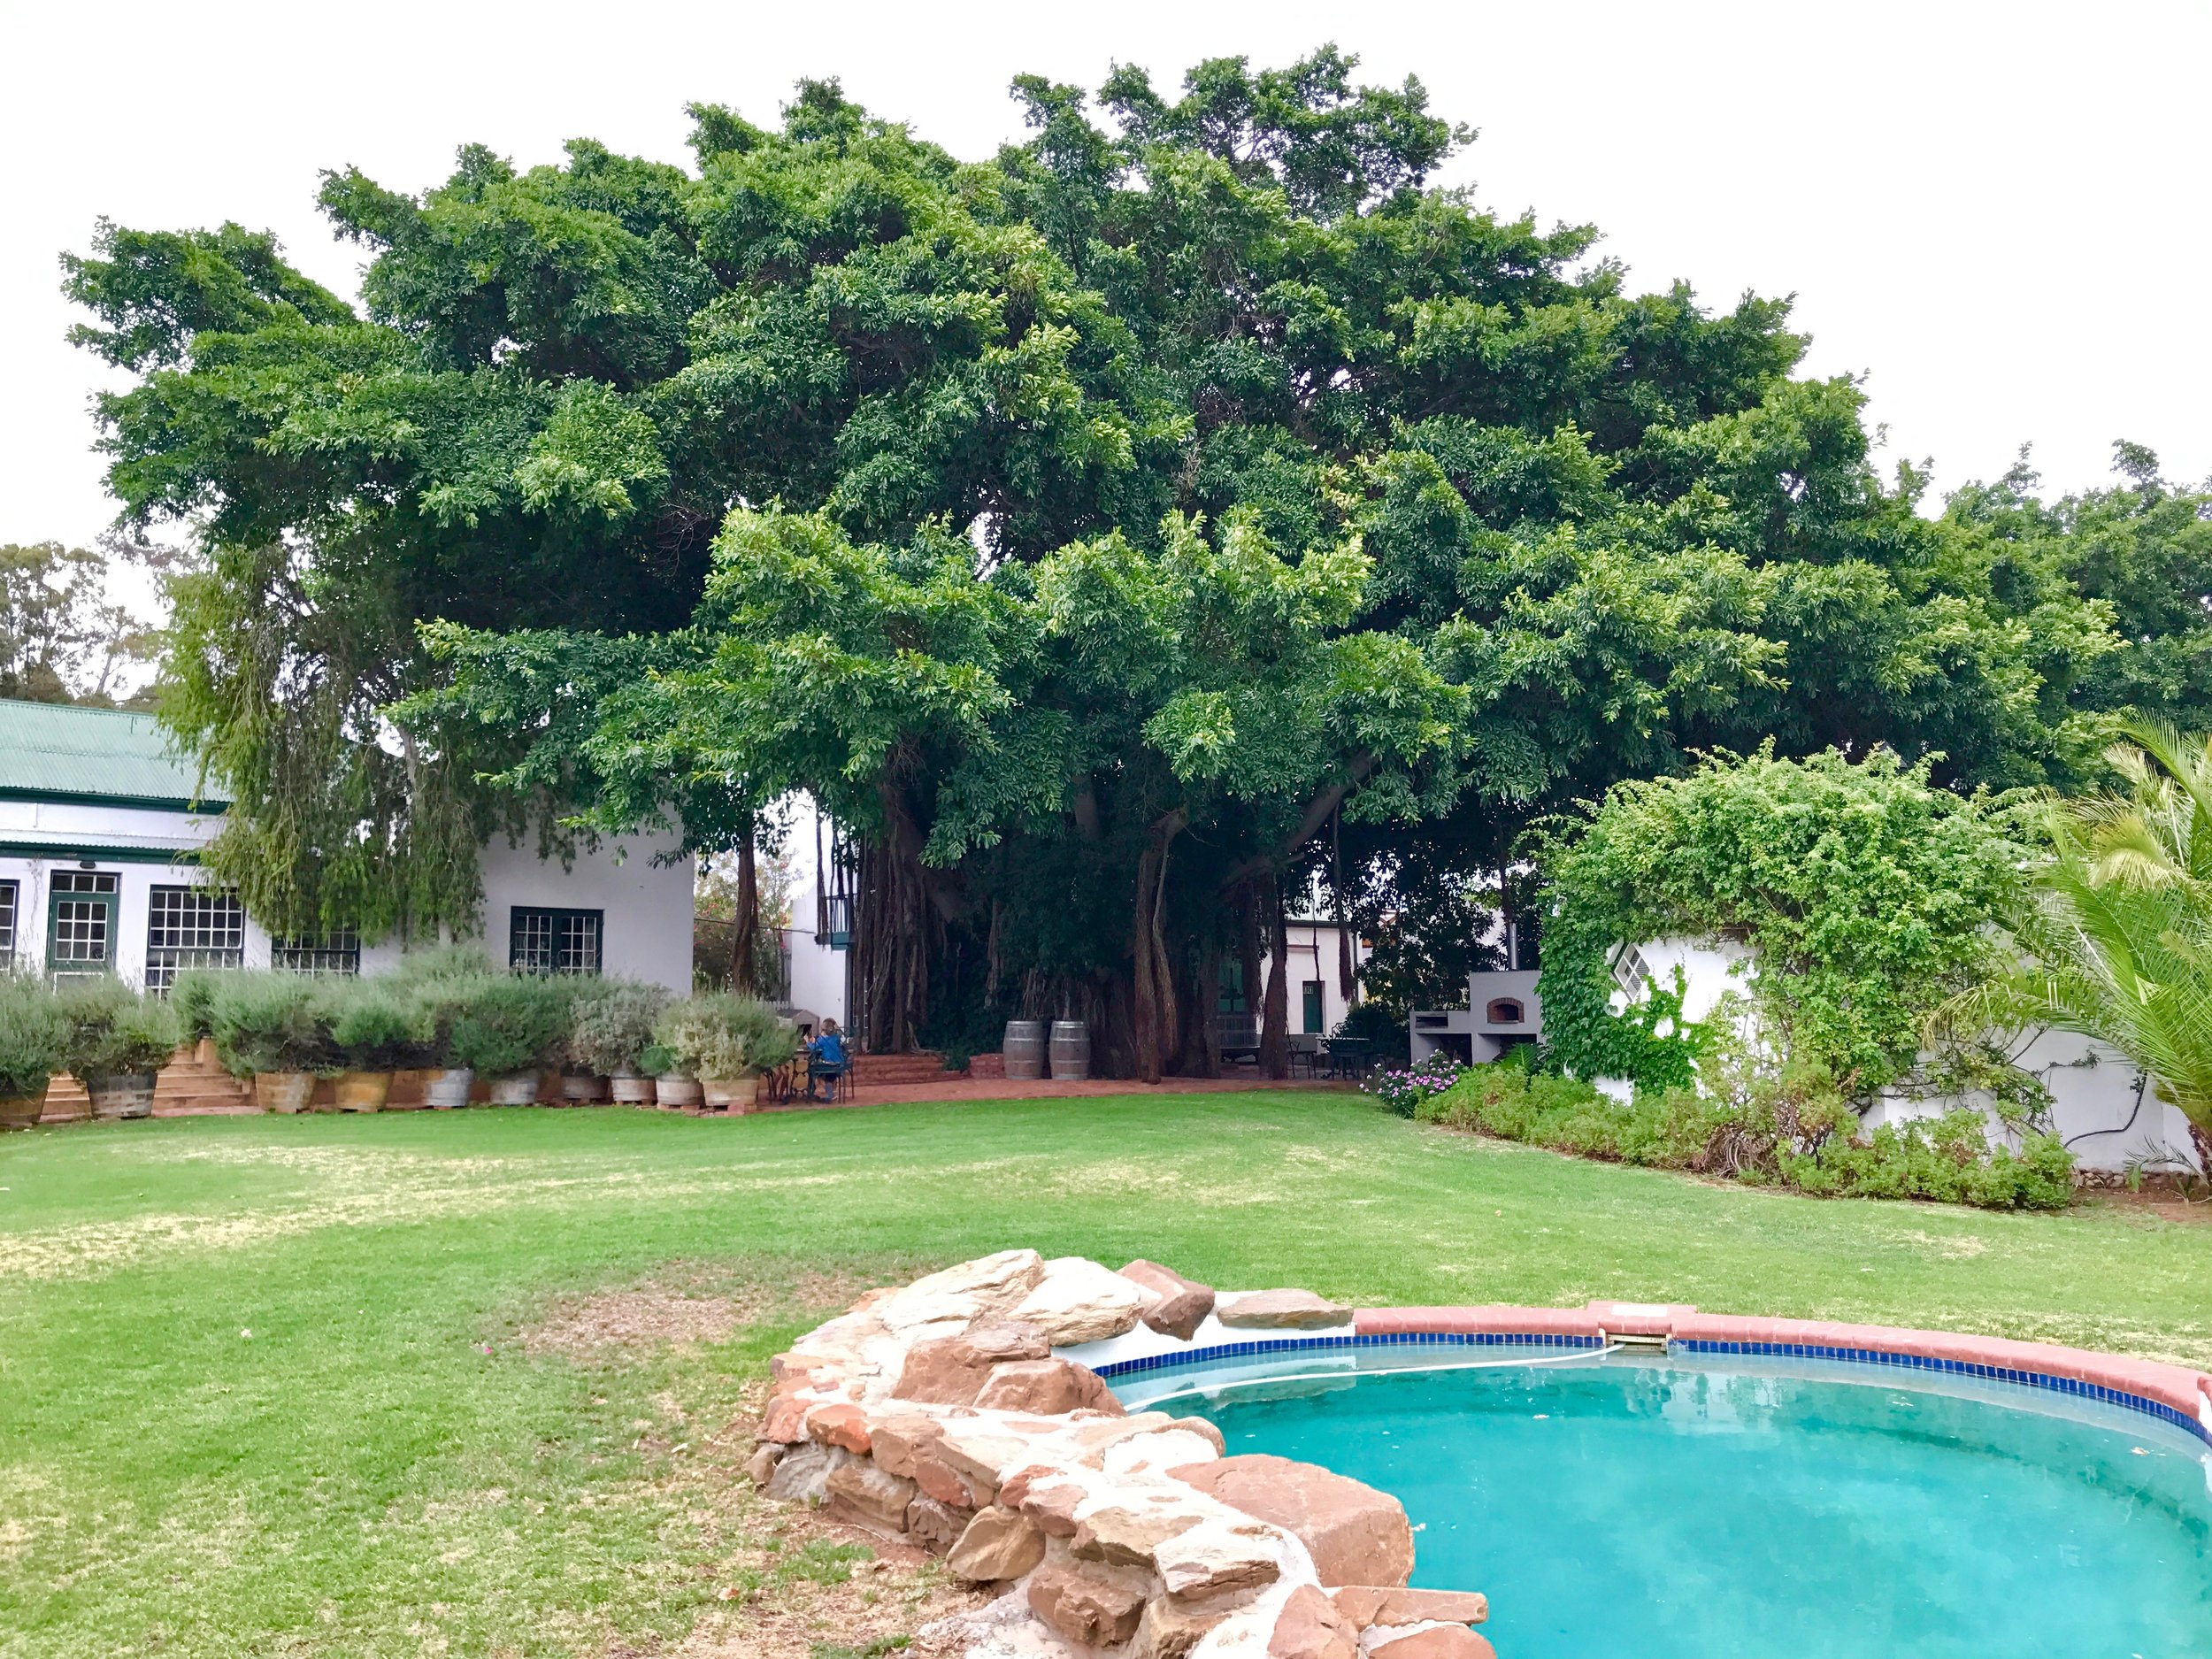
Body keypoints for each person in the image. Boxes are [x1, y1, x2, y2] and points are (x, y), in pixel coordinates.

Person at [804, 1018, 849, 1101]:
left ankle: (829, 1093)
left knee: (815, 1072)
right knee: (830, 1075)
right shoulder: (836, 1037)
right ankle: (832, 1091)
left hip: (830, 1064)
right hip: (840, 1063)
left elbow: (813, 1048)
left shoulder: (822, 1039)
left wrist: (808, 1041)